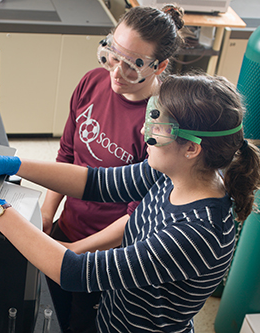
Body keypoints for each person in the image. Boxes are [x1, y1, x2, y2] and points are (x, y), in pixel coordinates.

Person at [0, 73, 260, 333]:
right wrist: (14, 165)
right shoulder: (177, 172)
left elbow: (74, 273)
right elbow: (97, 183)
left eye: (159, 127)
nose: (146, 132)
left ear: (193, 148)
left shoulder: (196, 232)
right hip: (113, 316)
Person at [40, 5, 186, 331]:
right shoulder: (92, 82)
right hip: (68, 230)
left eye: (132, 65)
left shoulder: (160, 123)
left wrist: (75, 255)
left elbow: (138, 214)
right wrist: (47, 215)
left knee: (82, 323)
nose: (116, 72)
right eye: (111, 55)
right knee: (51, 312)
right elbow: (66, 156)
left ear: (159, 66)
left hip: (105, 253)